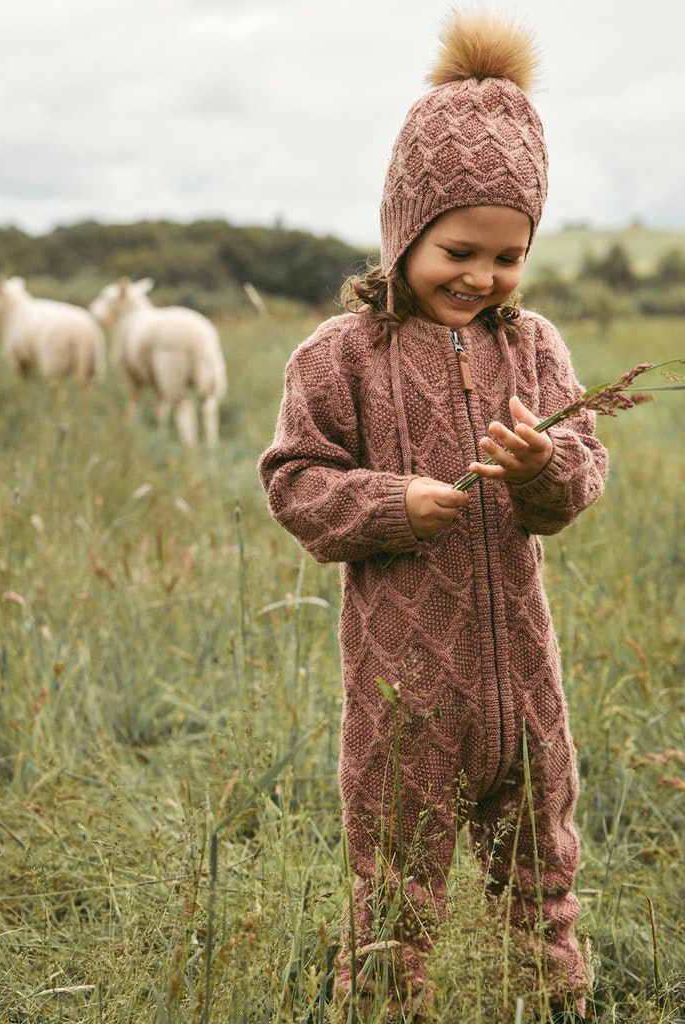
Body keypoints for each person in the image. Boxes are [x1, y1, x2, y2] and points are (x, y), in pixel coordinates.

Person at [258, 10, 607, 1022]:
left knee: (543, 882)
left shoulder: (534, 347)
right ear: (406, 229)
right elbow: (294, 479)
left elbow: (581, 477)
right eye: (458, 249)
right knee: (395, 890)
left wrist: (545, 465)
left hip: (524, 684)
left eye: (509, 257)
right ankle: (379, 1003)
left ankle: (552, 1004)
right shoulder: (341, 355)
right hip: (404, 690)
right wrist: (387, 503)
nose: (482, 277)